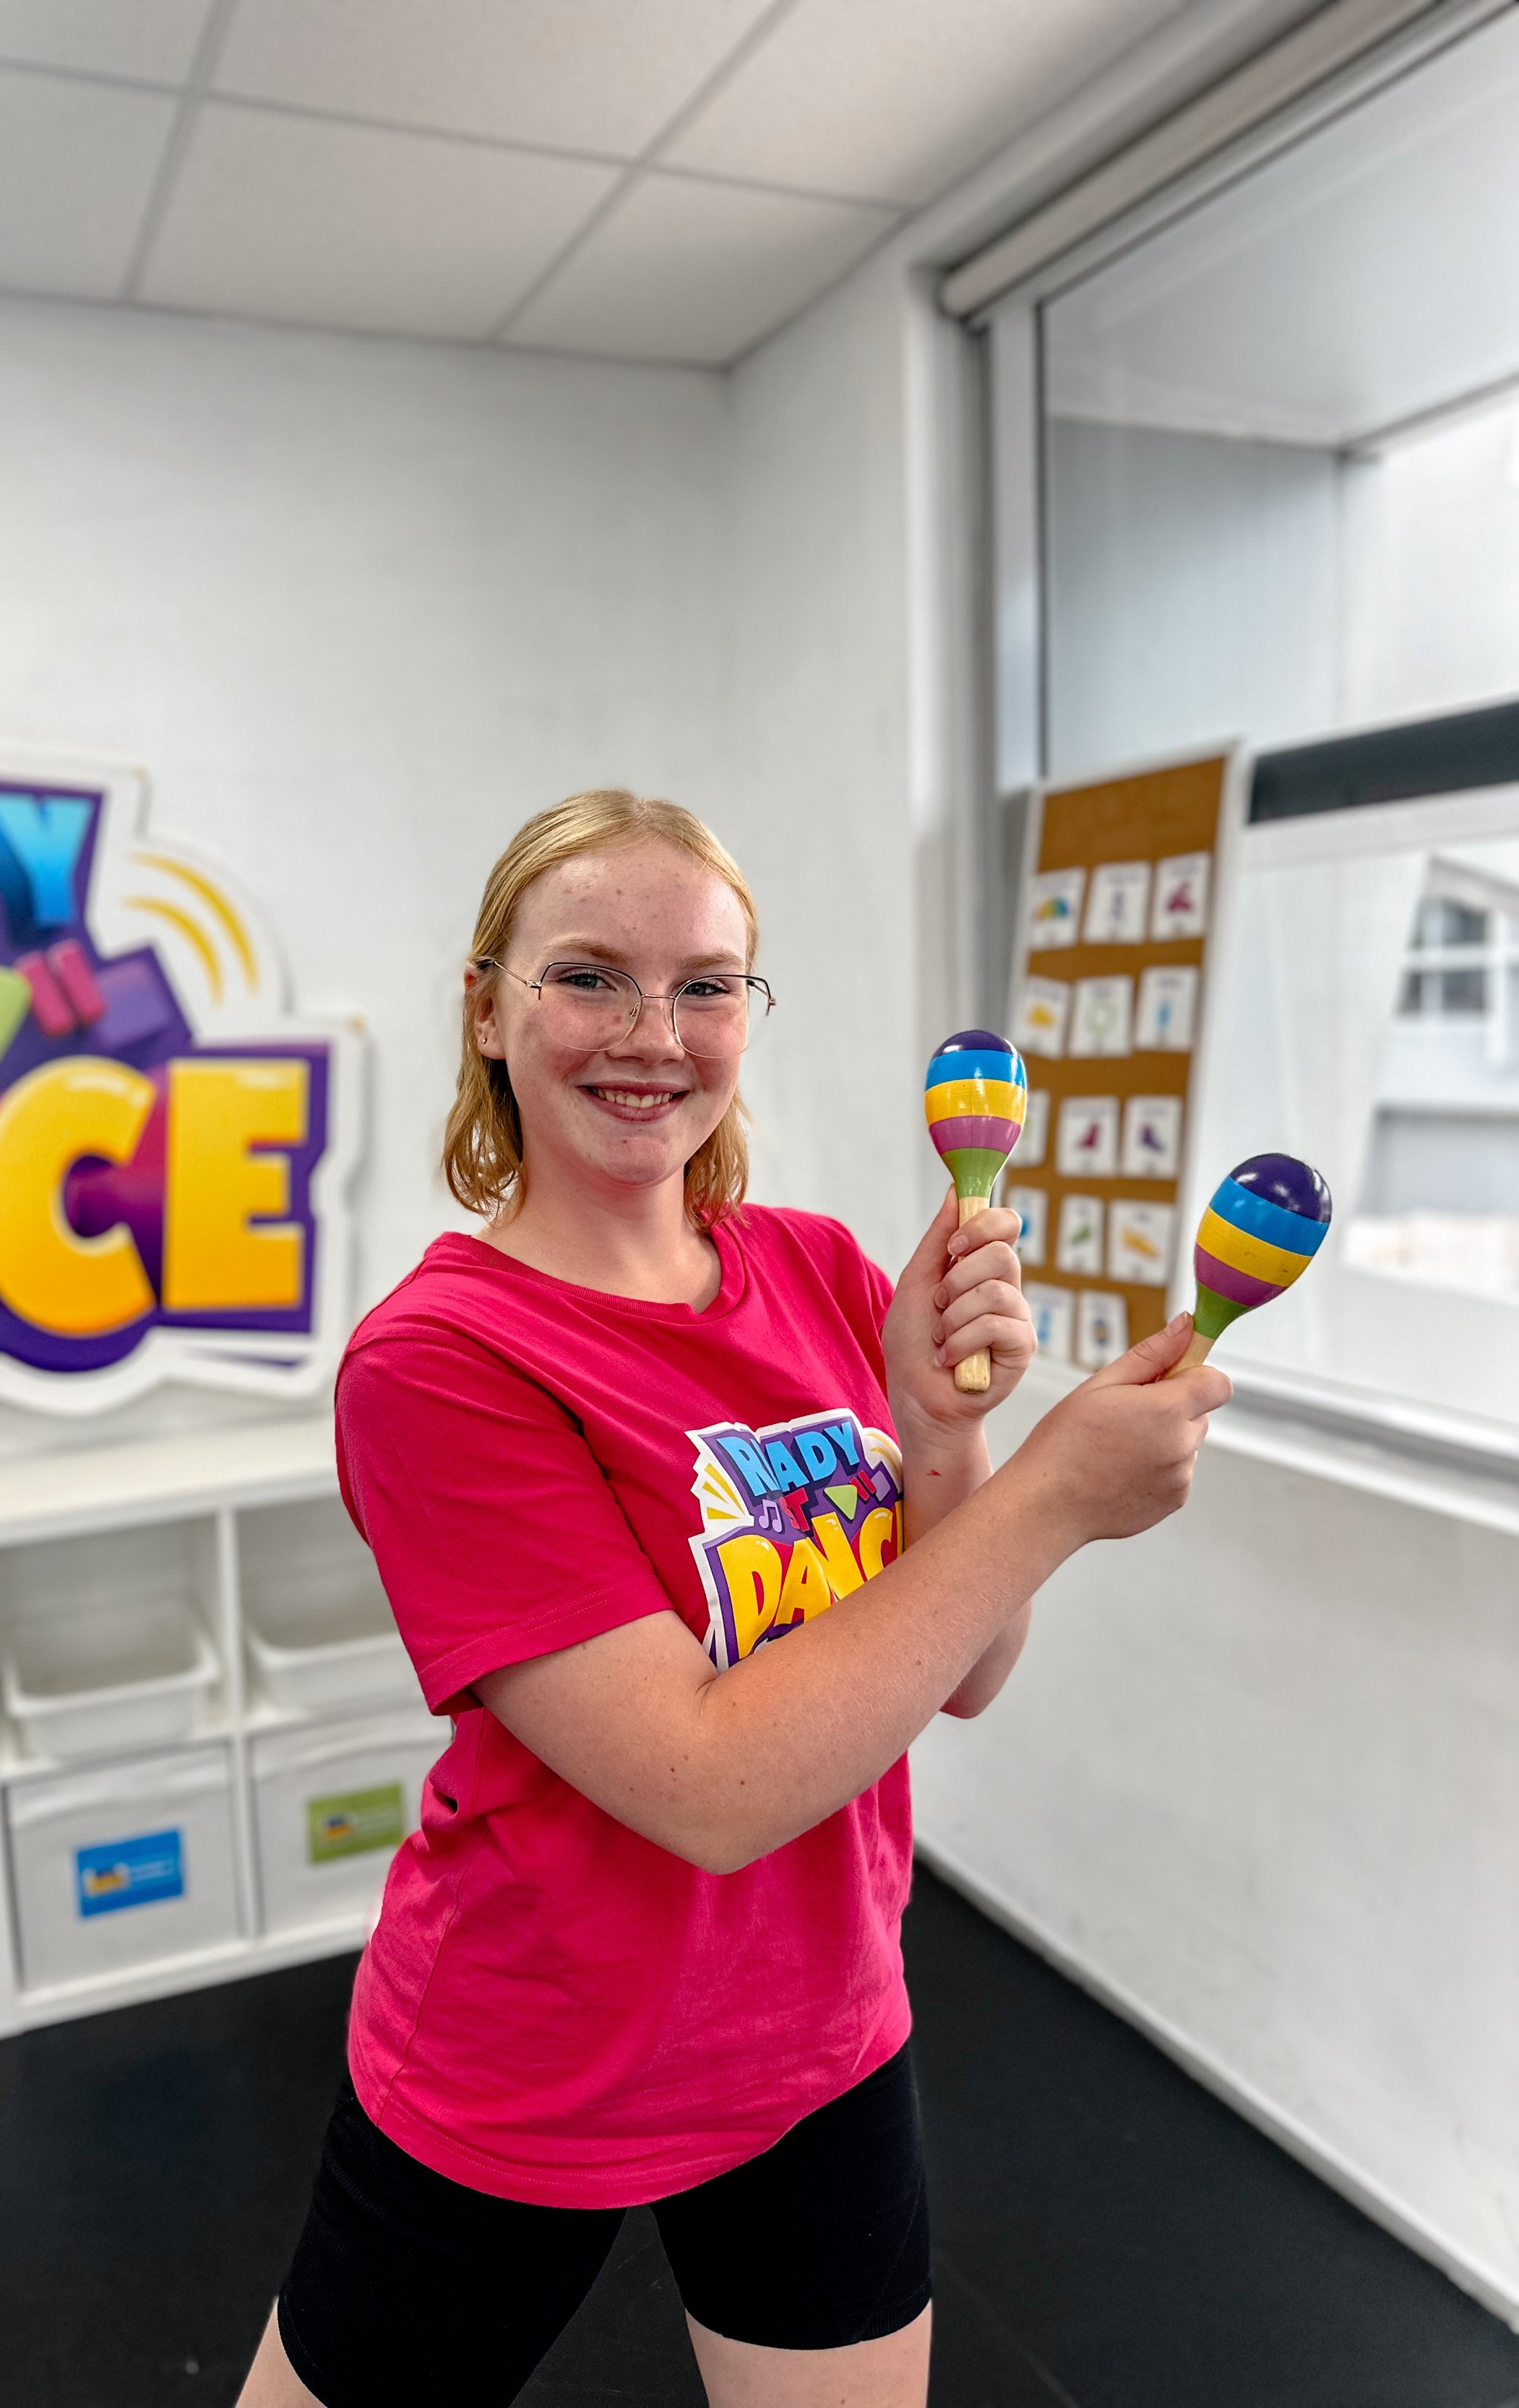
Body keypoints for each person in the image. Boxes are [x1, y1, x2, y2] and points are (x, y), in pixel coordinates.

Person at [238, 790, 1230, 2408]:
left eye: (705, 983)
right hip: (527, 2061)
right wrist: (1050, 1492)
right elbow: (706, 1786)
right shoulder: (438, 1363)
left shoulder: (828, 1267)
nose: (653, 1032)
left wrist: (945, 1431)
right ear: (487, 1006)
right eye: (588, 975)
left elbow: (960, 1670)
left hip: (820, 2032)